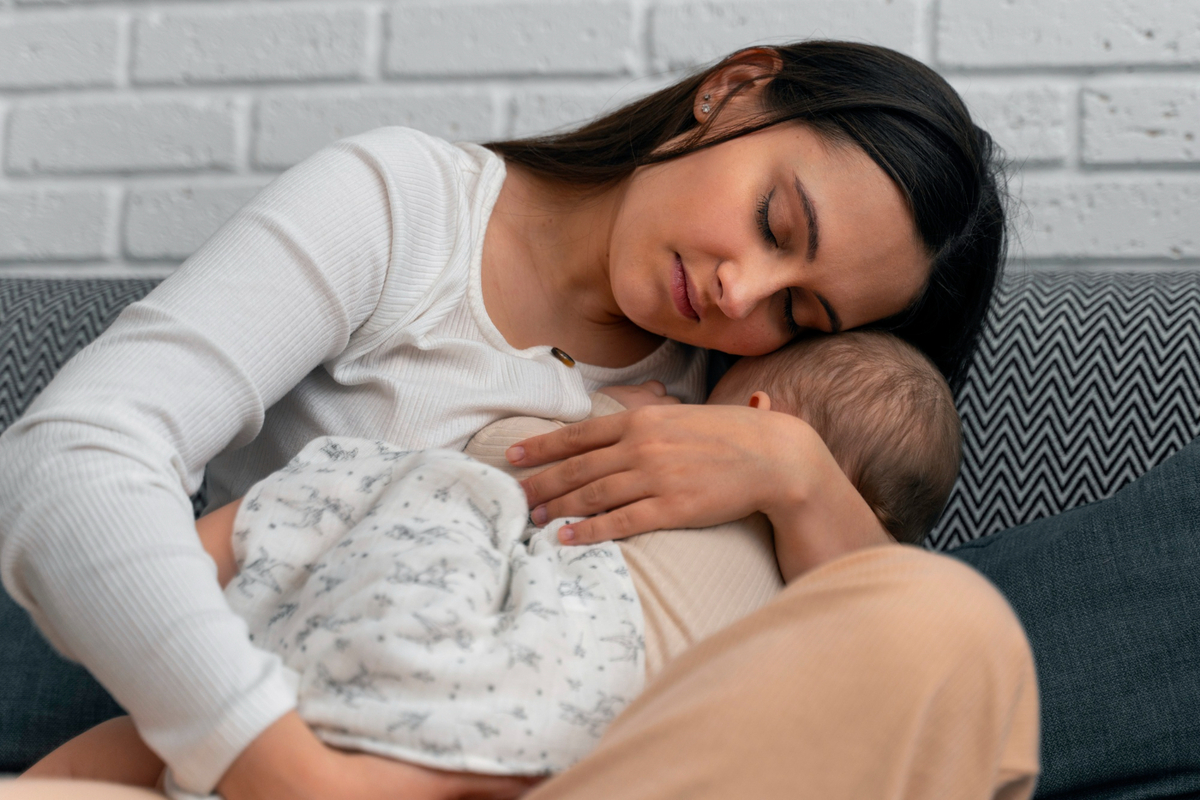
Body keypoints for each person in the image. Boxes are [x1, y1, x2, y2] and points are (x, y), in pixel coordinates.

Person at [0, 39, 1028, 800]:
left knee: (956, 625)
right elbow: (77, 457)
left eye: (798, 311)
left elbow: (865, 649)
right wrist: (291, 773)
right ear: (731, 91)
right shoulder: (408, 212)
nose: (740, 293)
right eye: (774, 221)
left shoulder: (742, 407)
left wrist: (798, 470)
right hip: (275, 754)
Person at [24, 331, 964, 796]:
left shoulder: (654, 438)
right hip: (571, 736)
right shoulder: (822, 602)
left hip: (458, 643)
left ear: (755, 420)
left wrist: (630, 409)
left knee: (396, 486)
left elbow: (514, 458)